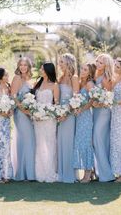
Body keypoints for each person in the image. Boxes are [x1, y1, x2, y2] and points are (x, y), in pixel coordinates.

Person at [33, 62, 59, 182]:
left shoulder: (54, 85)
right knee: (39, 144)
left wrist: (48, 113)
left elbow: (57, 104)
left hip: (49, 119)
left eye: (42, 69)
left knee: (50, 144)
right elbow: (34, 101)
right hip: (37, 119)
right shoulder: (37, 84)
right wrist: (35, 113)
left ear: (48, 71)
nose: (40, 70)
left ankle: (49, 172)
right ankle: (40, 172)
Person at [11, 57, 35, 181]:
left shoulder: (29, 80)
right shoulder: (17, 78)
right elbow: (13, 96)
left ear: (29, 67)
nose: (23, 67)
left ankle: (28, 171)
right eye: (21, 65)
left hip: (28, 114)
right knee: (28, 139)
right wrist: (23, 109)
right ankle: (25, 173)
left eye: (25, 65)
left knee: (29, 140)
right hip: (20, 114)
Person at [93, 53, 115, 182]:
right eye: (97, 61)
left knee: (98, 138)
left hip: (104, 112)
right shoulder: (96, 75)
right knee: (99, 140)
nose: (98, 64)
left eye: (101, 62)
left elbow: (108, 98)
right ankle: (99, 171)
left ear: (106, 65)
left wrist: (98, 103)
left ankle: (106, 173)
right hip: (95, 112)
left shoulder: (106, 77)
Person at [57, 53, 79, 183]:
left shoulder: (74, 78)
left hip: (69, 116)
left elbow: (75, 99)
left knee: (68, 143)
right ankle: (61, 172)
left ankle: (69, 174)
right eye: (59, 62)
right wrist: (58, 112)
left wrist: (66, 113)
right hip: (59, 115)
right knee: (60, 142)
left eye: (62, 62)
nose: (59, 65)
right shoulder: (60, 78)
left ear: (68, 63)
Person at [73, 63, 96, 183]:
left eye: (85, 69)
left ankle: (88, 173)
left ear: (90, 72)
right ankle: (88, 172)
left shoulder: (89, 84)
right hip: (78, 117)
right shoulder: (80, 82)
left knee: (86, 144)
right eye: (82, 68)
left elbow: (93, 100)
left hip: (86, 117)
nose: (82, 71)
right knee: (80, 143)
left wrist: (82, 109)